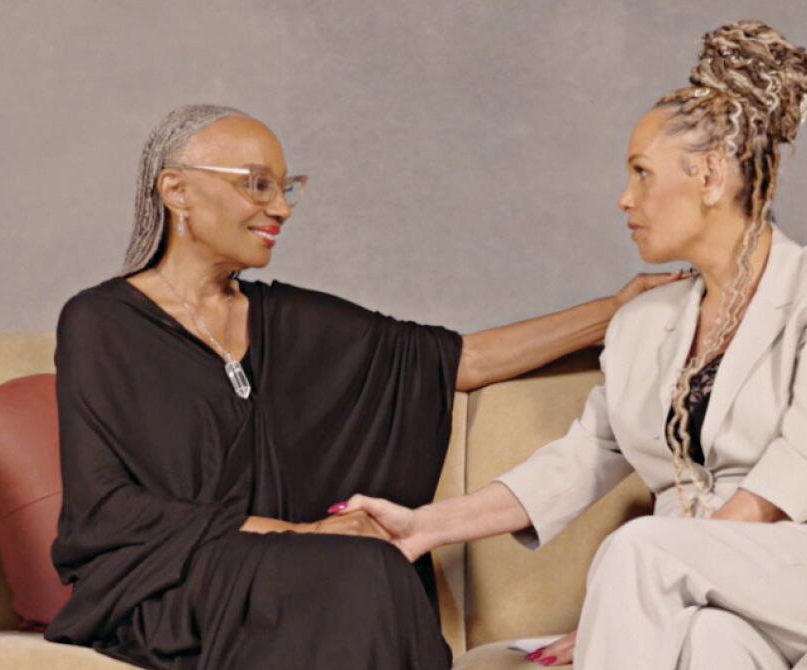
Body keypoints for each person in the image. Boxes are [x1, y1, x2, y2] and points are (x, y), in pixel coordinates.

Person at [335, 20, 807, 669]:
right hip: (717, 590)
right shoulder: (642, 324)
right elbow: (582, 458)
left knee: (640, 551)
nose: (624, 199)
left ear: (710, 176)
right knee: (709, 644)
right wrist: (426, 525)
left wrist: (645, 592)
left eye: (642, 174)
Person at [42, 103, 685, 669]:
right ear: (176, 190)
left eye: (286, 188)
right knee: (355, 567)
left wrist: (617, 308)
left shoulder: (289, 319)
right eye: (256, 184)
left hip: (299, 580)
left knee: (374, 562)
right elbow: (106, 509)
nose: (280, 207)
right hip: (166, 582)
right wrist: (297, 535)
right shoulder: (100, 323)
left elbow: (459, 361)